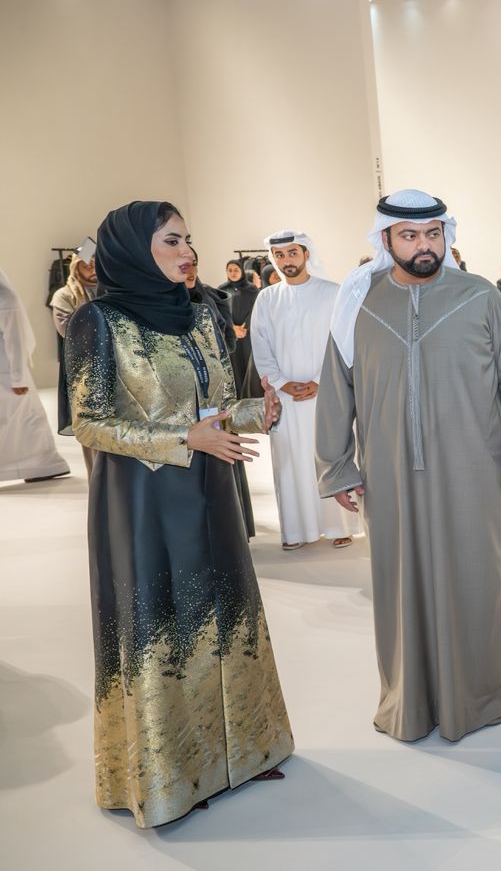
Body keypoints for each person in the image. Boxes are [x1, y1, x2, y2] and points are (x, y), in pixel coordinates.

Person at [65, 200, 291, 828]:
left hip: (211, 490)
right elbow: (89, 423)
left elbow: (216, 408)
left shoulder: (200, 314)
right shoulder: (98, 322)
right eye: (171, 240)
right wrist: (181, 440)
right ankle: (171, 777)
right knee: (166, 625)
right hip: (143, 499)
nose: (187, 252)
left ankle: (242, 753)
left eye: (188, 239)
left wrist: (256, 413)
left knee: (225, 613)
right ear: (134, 249)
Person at [317, 189, 501, 743]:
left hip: (476, 470)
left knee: (478, 579)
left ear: (446, 236)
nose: (424, 246)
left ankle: (481, 695)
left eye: (433, 234)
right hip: (389, 474)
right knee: (401, 585)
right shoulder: (359, 303)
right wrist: (337, 465)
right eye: (410, 235)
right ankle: (409, 700)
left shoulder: (480, 296)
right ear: (386, 239)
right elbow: (337, 388)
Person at [251, 230, 361, 551]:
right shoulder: (266, 299)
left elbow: (342, 340)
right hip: (285, 397)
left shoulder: (332, 292)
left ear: (306, 254)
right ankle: (296, 530)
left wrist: (319, 379)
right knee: (291, 463)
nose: (286, 260)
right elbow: (260, 344)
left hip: (327, 392)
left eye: (292, 253)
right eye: (280, 255)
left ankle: (339, 526)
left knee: (329, 454)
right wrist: (280, 382)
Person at [185, 249, 255, 538]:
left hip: (214, 394)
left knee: (221, 460)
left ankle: (231, 531)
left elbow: (228, 343)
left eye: (194, 264)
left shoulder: (212, 298)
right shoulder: (153, 305)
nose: (189, 270)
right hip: (180, 404)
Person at [0, 266, 71, 483]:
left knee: (24, 423)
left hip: (9, 374)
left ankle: (42, 466)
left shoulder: (5, 298)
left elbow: (16, 339)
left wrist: (18, 377)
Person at [50, 238, 99, 468]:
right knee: (91, 431)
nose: (91, 269)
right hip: (84, 371)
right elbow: (67, 330)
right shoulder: (65, 295)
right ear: (76, 267)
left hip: (119, 368)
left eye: (94, 264)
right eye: (85, 264)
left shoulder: (112, 291)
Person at [219, 259, 264, 399]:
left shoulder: (252, 289)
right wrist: (233, 328)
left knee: (250, 365)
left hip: (248, 334)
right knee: (235, 367)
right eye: (230, 270)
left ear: (242, 271)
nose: (233, 273)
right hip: (231, 336)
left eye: (236, 270)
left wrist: (245, 327)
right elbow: (219, 312)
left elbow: (256, 310)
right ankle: (238, 398)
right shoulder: (221, 290)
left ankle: (254, 396)